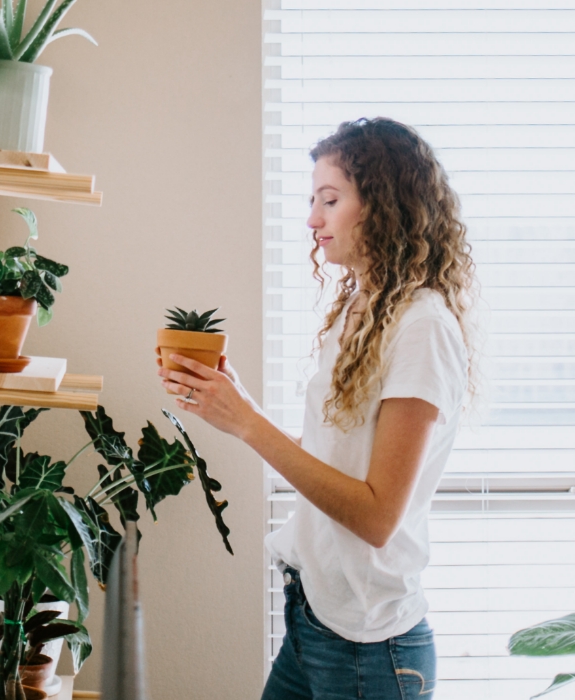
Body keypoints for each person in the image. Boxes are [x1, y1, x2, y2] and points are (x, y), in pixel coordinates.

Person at [157, 117, 476, 700]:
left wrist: (249, 426)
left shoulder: (421, 328)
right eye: (312, 201)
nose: (312, 220)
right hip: (314, 617)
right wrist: (238, 408)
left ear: (383, 206)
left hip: (369, 648)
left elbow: (377, 516)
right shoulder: (362, 308)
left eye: (330, 200)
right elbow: (338, 465)